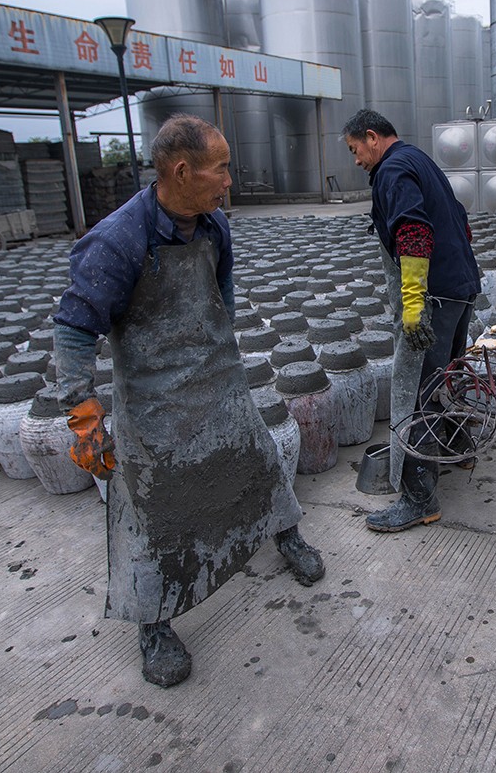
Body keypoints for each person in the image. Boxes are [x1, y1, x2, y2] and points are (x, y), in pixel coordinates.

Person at [53, 114, 324, 689]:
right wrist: (84, 421)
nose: (229, 179)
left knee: (257, 463)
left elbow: (219, 290)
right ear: (183, 170)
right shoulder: (118, 241)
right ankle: (153, 623)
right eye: (221, 168)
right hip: (154, 404)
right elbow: (74, 332)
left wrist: (218, 341)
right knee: (149, 512)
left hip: (219, 382)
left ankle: (287, 536)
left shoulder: (213, 225)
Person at [342, 108, 480, 533]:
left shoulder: (392, 169)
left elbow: (414, 233)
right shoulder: (419, 159)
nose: (356, 160)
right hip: (460, 287)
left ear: (371, 137)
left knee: (417, 394)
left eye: (354, 150)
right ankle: (459, 446)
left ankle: (419, 499)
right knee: (445, 377)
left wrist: (414, 304)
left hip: (435, 297)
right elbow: (460, 219)